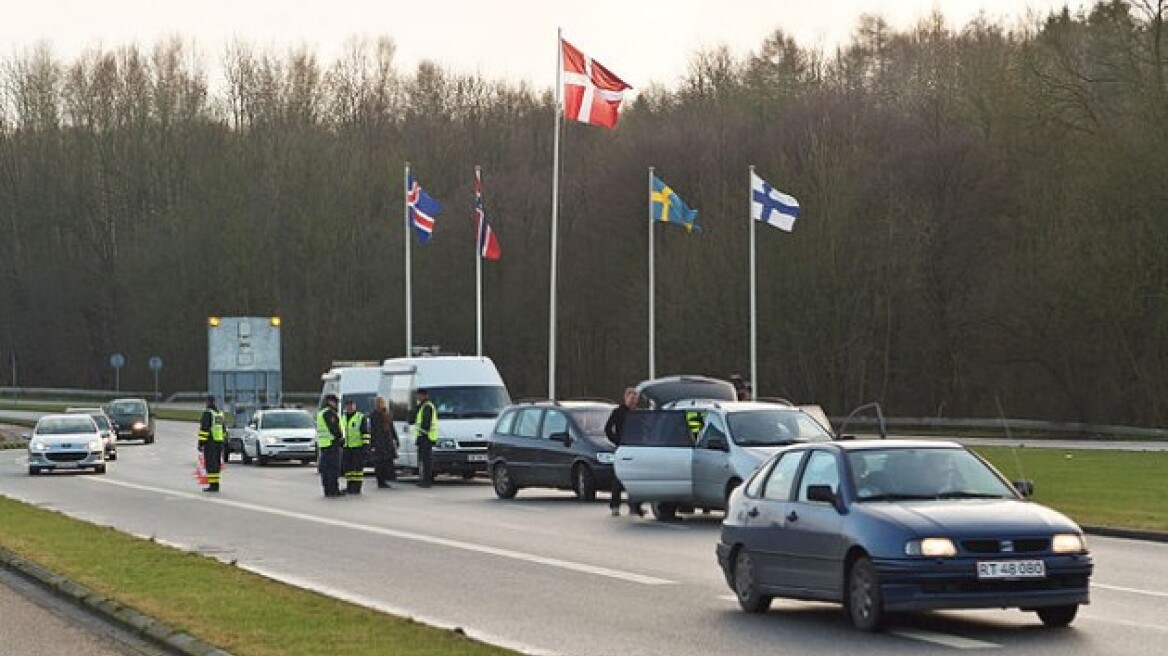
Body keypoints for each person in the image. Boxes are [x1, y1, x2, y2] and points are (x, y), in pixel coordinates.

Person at [605, 387, 643, 517]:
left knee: (636, 478)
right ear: (625, 397)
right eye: (631, 397)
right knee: (618, 477)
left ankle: (635, 506)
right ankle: (615, 505)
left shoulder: (638, 414)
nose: (633, 400)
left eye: (635, 398)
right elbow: (608, 429)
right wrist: (617, 441)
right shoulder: (618, 412)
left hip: (636, 448)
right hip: (623, 448)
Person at [316, 394, 345, 497]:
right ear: (330, 402)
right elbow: (334, 429)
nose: (336, 404)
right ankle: (333, 490)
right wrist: (341, 437)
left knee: (326, 469)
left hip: (324, 444)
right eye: (335, 402)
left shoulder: (322, 413)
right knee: (333, 468)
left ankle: (328, 490)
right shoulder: (329, 413)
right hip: (331, 443)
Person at [197, 395, 226, 493]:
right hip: (219, 442)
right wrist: (223, 442)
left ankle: (213, 486)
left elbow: (204, 430)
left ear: (208, 402)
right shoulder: (219, 414)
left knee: (210, 464)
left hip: (210, 442)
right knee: (216, 464)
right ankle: (216, 484)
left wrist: (201, 443)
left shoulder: (207, 413)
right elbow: (223, 430)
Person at [340, 399, 370, 495]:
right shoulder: (343, 418)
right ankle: (350, 486)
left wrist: (365, 447)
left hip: (358, 447)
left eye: (352, 406)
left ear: (355, 406)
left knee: (357, 469)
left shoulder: (360, 417)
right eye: (348, 406)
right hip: (347, 447)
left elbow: (365, 433)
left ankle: (356, 488)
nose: (350, 407)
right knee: (348, 469)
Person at [368, 396, 399, 489]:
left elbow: (391, 427)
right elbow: (372, 430)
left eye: (382, 402)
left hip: (387, 441)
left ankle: (386, 478)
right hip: (379, 442)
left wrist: (396, 439)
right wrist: (372, 443)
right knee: (379, 462)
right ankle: (380, 481)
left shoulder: (387, 413)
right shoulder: (373, 415)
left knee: (387, 461)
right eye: (380, 403)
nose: (382, 404)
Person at [413, 388, 438, 488]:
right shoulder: (423, 406)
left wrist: (422, 431)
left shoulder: (427, 407)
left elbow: (425, 423)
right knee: (424, 460)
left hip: (426, 437)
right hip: (424, 437)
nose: (418, 397)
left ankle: (427, 480)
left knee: (426, 461)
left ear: (424, 395)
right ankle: (424, 479)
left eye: (419, 395)